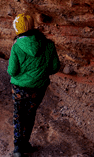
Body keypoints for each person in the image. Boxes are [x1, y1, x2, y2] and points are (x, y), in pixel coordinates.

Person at [7, 13, 60, 157]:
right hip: (38, 88)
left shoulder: (17, 46)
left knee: (19, 115)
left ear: (18, 28)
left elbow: (12, 70)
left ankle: (18, 147)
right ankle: (26, 143)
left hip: (19, 88)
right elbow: (55, 67)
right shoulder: (48, 44)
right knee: (30, 115)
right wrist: (40, 71)